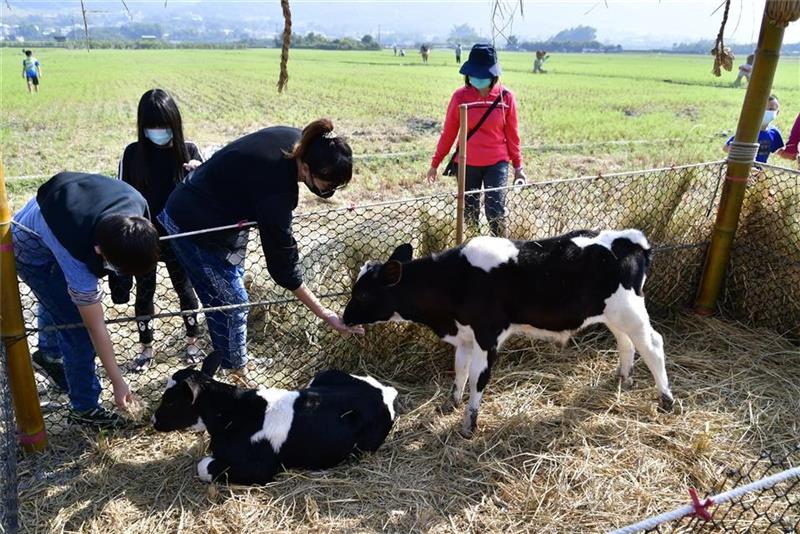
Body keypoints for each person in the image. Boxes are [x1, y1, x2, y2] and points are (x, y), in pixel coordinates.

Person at [159, 119, 364, 383]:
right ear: (305, 167)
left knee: (225, 299)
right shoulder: (277, 191)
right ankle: (236, 373)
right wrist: (325, 314)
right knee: (232, 304)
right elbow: (283, 268)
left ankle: (231, 359)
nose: (329, 192)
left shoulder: (299, 141)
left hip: (211, 208)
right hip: (191, 223)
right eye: (327, 185)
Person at [12, 172, 159, 428]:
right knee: (75, 326)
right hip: (29, 248)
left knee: (62, 300)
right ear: (99, 250)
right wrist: (118, 381)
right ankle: (85, 409)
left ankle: (48, 354)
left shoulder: (136, 207)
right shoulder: (76, 256)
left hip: (53, 214)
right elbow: (94, 326)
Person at [113, 89, 204, 372]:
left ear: (175, 123)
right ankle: (145, 348)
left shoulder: (188, 150)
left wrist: (199, 172)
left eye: (164, 126)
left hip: (179, 238)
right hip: (144, 239)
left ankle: (193, 341)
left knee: (185, 290)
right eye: (152, 126)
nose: (158, 132)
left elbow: (208, 192)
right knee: (145, 293)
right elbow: (122, 198)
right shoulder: (132, 155)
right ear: (142, 126)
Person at [427, 43, 526, 237]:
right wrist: (435, 163)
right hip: (467, 163)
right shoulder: (460, 97)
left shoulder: (505, 98)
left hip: (497, 162)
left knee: (495, 210)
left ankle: (500, 251)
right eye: (475, 74)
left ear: (493, 74)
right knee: (469, 213)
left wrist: (518, 167)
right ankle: (474, 250)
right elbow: (448, 134)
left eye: (483, 74)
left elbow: (513, 135)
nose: (478, 79)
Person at [724, 95, 784, 164]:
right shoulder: (748, 130)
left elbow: (781, 151)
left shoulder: (774, 133)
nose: (766, 111)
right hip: (742, 169)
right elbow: (726, 147)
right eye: (763, 108)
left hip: (760, 171)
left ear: (777, 112)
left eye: (770, 109)